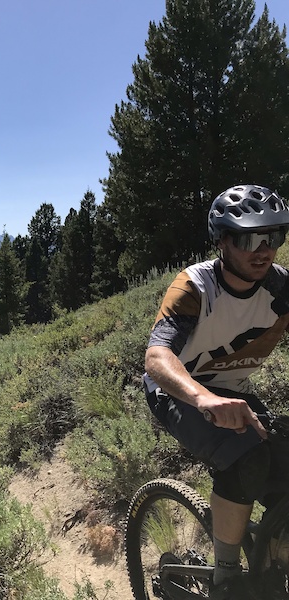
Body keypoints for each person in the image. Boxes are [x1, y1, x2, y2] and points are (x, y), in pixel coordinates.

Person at [143, 184, 289, 597]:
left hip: (231, 389)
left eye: (272, 237)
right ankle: (226, 578)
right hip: (177, 389)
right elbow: (157, 358)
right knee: (247, 458)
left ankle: (271, 564)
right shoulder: (195, 287)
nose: (261, 250)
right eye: (247, 239)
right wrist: (204, 399)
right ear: (223, 242)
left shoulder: (282, 289)